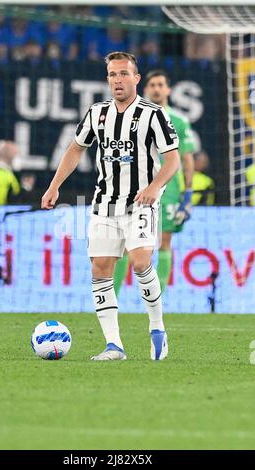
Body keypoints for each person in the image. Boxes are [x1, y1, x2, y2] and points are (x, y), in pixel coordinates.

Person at [41, 52, 180, 361]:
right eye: (112, 75)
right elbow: (76, 149)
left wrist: (155, 187)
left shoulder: (153, 114)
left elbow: (173, 159)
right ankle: (113, 345)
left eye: (123, 74)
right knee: (100, 269)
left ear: (136, 78)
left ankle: (157, 328)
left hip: (140, 203)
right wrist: (54, 186)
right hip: (104, 204)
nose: (117, 80)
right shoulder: (97, 113)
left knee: (141, 261)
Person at [114, 69, 195, 295]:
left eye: (161, 84)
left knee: (164, 241)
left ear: (168, 90)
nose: (157, 89)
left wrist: (188, 193)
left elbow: (187, 158)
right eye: (153, 85)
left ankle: (157, 300)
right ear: (146, 89)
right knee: (126, 244)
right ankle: (114, 299)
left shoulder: (179, 121)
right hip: (137, 187)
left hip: (169, 190)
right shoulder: (133, 117)